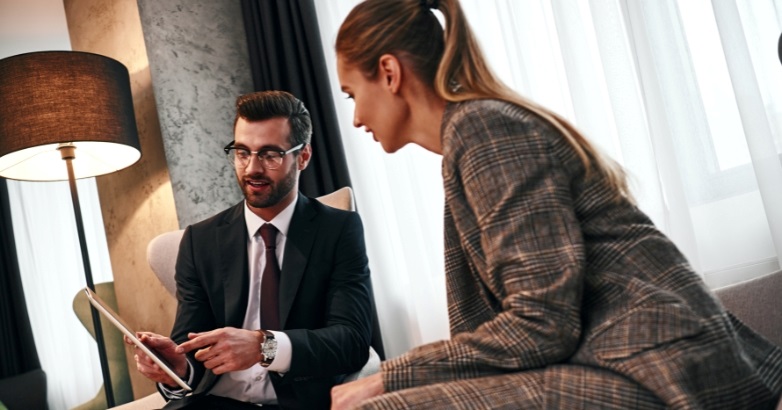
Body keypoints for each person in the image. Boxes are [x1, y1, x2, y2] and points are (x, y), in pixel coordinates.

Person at [330, 0, 782, 409]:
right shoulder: (469, 140)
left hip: (662, 367)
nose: (355, 118)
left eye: (352, 93)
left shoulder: (484, 132)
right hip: (611, 361)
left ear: (389, 73)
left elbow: (543, 323)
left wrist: (391, 376)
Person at [128, 90, 374, 409]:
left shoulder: (338, 230)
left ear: (303, 157)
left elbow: (352, 341)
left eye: (270, 155)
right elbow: (190, 344)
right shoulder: (199, 241)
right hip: (216, 402)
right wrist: (177, 368)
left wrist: (264, 346)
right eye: (242, 152)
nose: (252, 168)